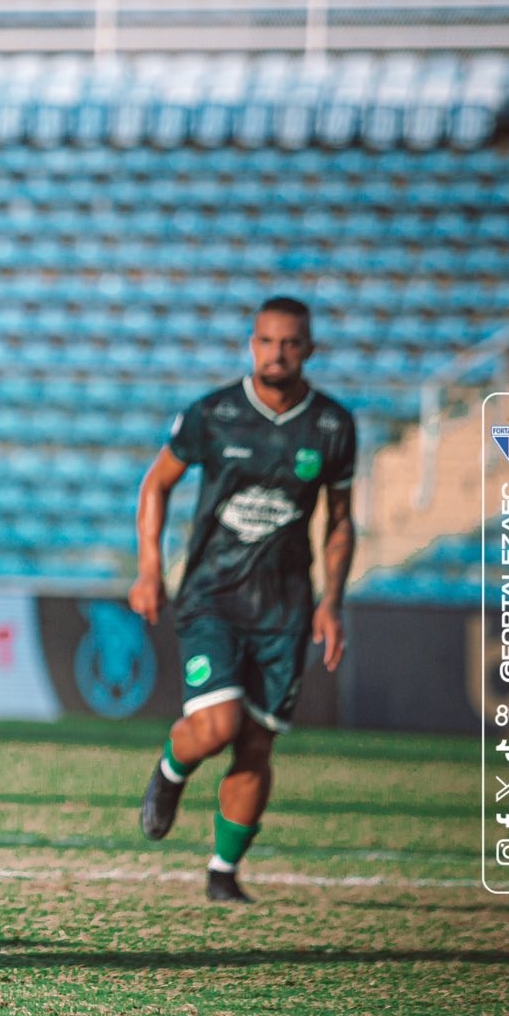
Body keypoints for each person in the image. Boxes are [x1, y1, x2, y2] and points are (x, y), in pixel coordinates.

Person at [130, 297, 356, 902]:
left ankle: (222, 872)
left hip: (284, 609)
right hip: (212, 595)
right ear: (250, 344)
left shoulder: (332, 426)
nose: (275, 354)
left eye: (288, 343)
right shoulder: (215, 413)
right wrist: (150, 568)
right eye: (265, 342)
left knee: (256, 745)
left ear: (308, 349)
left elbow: (339, 522)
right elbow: (157, 484)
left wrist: (331, 602)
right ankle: (172, 771)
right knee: (217, 725)